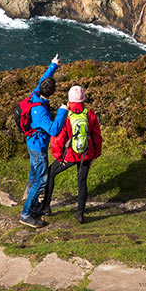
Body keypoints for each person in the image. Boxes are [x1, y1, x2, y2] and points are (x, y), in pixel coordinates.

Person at [19, 54, 68, 228]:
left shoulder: (36, 94)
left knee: (34, 172)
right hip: (38, 146)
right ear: (53, 92)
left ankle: (30, 200)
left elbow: (44, 79)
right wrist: (63, 111)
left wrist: (53, 65)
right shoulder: (40, 112)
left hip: (31, 143)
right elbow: (54, 130)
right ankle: (26, 214)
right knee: (42, 179)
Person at [41, 84, 102, 223]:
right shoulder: (89, 114)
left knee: (51, 173)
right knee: (82, 182)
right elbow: (97, 136)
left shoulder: (66, 116)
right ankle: (80, 214)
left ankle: (46, 207)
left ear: (69, 100)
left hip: (69, 156)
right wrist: (95, 155)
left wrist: (58, 157)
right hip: (86, 154)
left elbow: (58, 139)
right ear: (83, 100)